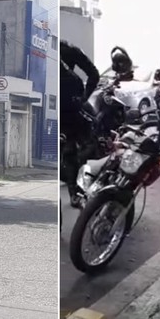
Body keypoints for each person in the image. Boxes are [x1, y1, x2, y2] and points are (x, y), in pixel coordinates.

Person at [60, 41, 100, 207]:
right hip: (71, 106)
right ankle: (75, 193)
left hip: (55, 105)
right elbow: (94, 74)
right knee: (74, 151)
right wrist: (84, 97)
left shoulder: (47, 49)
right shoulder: (70, 49)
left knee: (70, 151)